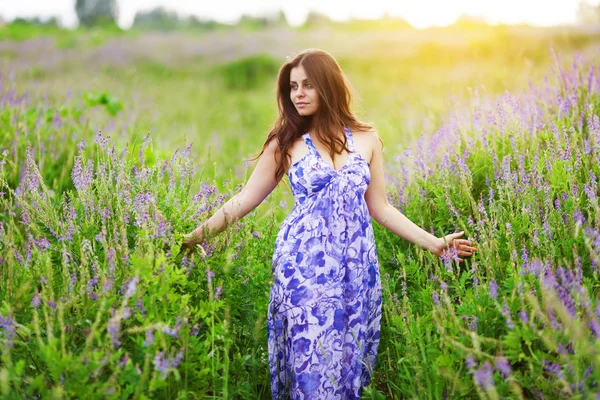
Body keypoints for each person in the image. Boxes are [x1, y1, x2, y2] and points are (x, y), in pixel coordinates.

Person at [181, 48, 477, 399]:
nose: (298, 94)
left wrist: (434, 243)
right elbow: (244, 200)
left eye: (308, 85)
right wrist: (193, 237)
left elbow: (380, 207)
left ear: (329, 86)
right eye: (293, 87)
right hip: (304, 266)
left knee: (351, 361)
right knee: (312, 363)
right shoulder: (286, 142)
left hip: (357, 267)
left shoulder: (367, 139)